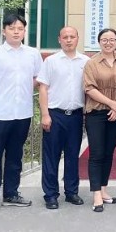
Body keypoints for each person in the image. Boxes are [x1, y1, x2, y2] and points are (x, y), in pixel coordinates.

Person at [0, 13, 43, 216]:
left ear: (24, 31)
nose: (16, 32)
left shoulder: (32, 54)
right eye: (12, 28)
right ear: (4, 31)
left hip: (22, 113)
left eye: (20, 28)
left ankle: (11, 194)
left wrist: (23, 90)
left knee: (15, 156)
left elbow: (38, 78)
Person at [36, 26, 88, 210]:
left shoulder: (86, 61)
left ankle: (71, 191)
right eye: (65, 37)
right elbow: (43, 88)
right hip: (55, 115)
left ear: (77, 38)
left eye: (72, 36)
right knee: (51, 156)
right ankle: (51, 194)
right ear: (59, 39)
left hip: (75, 115)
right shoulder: (51, 61)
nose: (69, 40)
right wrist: (45, 114)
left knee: (73, 155)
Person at [83, 28, 116, 213]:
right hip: (97, 112)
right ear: (99, 42)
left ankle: (103, 189)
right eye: (104, 40)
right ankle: (96, 194)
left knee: (109, 152)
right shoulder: (91, 63)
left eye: (112, 39)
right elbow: (89, 89)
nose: (108, 43)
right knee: (97, 153)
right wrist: (112, 104)